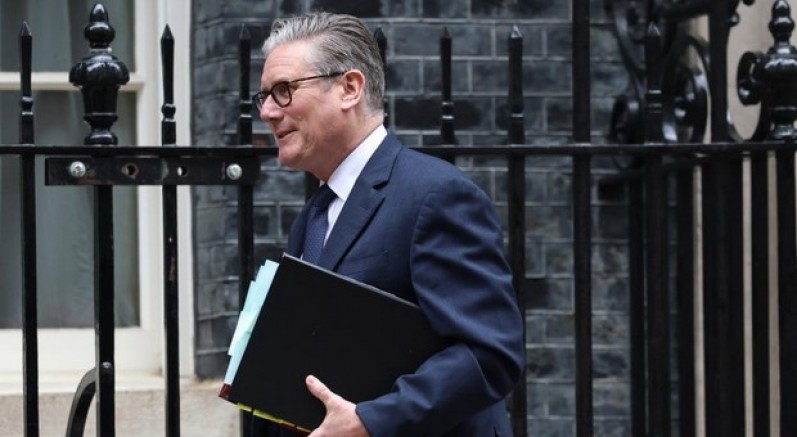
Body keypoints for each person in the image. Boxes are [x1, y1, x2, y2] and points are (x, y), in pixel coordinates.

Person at [251, 11, 525, 437]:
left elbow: (489, 353)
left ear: (349, 88)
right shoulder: (314, 216)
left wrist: (369, 421)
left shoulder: (436, 194)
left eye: (284, 90)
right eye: (265, 96)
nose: (268, 111)